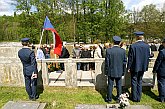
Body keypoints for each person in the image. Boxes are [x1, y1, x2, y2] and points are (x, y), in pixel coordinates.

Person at [127, 31, 150, 102]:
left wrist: (128, 67)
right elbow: (148, 56)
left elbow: (130, 58)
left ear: (136, 37)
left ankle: (134, 97)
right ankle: (138, 97)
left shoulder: (133, 46)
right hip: (142, 66)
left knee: (134, 81)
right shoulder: (147, 46)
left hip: (134, 66)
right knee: (139, 81)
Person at [105, 36, 127, 103]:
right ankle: (119, 98)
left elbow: (107, 63)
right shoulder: (123, 51)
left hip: (111, 71)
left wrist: (106, 71)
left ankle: (109, 99)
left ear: (113, 42)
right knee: (119, 85)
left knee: (110, 85)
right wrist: (123, 71)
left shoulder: (109, 50)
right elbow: (124, 62)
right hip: (119, 71)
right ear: (119, 42)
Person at [153, 38, 165, 102]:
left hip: (162, 71)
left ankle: (162, 97)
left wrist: (154, 70)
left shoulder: (162, 52)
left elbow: (158, 62)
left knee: (161, 84)